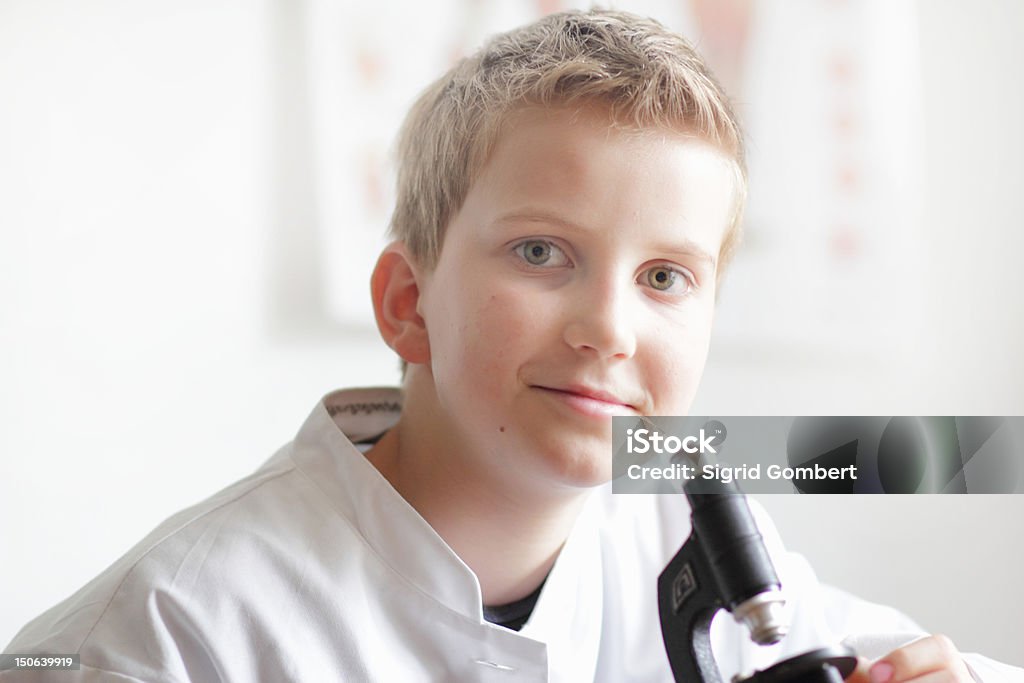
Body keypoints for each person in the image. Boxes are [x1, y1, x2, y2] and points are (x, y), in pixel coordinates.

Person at [3, 9, 1020, 682]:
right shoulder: (169, 633)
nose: (610, 329)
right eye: (541, 251)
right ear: (407, 301)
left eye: (665, 276)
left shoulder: (680, 521)